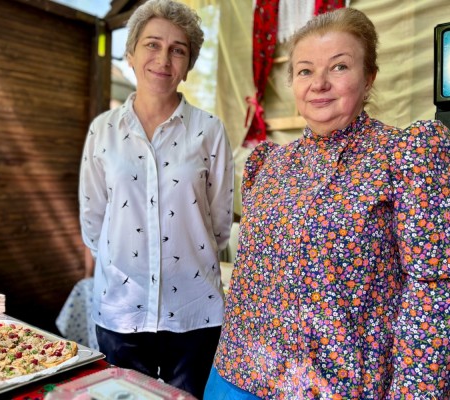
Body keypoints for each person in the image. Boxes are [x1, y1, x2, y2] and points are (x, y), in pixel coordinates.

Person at [205, 7, 450, 400]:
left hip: (340, 386)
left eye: (338, 67)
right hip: (239, 374)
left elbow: (431, 296)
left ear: (369, 77)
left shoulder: (404, 157)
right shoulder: (268, 164)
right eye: (304, 70)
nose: (318, 83)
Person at [78, 0, 234, 397]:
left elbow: (217, 224)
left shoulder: (209, 131)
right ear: (130, 54)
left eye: (178, 49)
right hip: (121, 311)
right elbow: (93, 218)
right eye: (152, 45)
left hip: (194, 312)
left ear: (188, 64)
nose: (163, 59)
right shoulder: (103, 131)